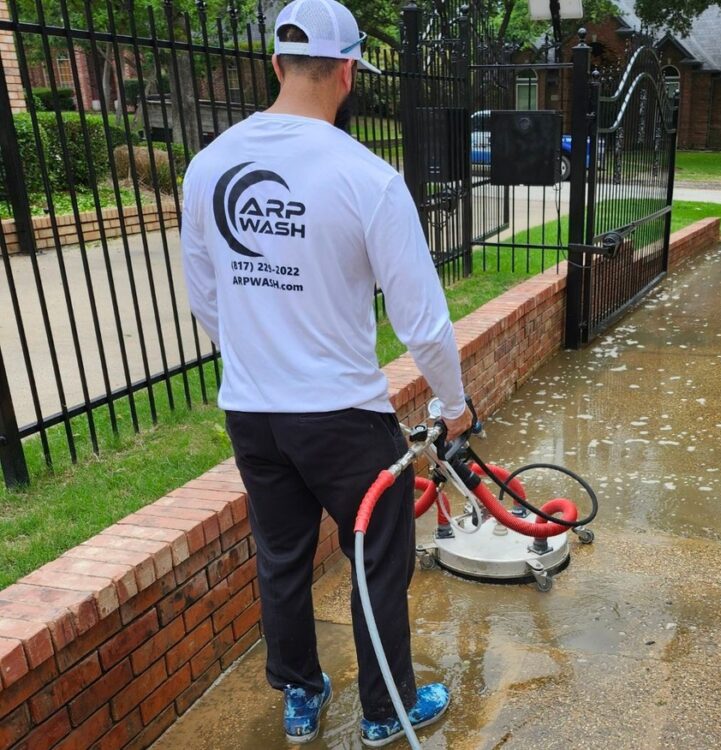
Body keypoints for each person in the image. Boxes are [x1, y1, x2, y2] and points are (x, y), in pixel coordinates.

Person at [179, 0, 471, 744]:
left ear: (275, 64)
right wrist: (453, 401)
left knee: (280, 557)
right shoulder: (365, 177)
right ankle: (386, 713)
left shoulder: (209, 166)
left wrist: (259, 353)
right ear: (347, 73)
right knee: (377, 556)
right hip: (342, 415)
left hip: (253, 412)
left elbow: (206, 299)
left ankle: (302, 696)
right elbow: (423, 320)